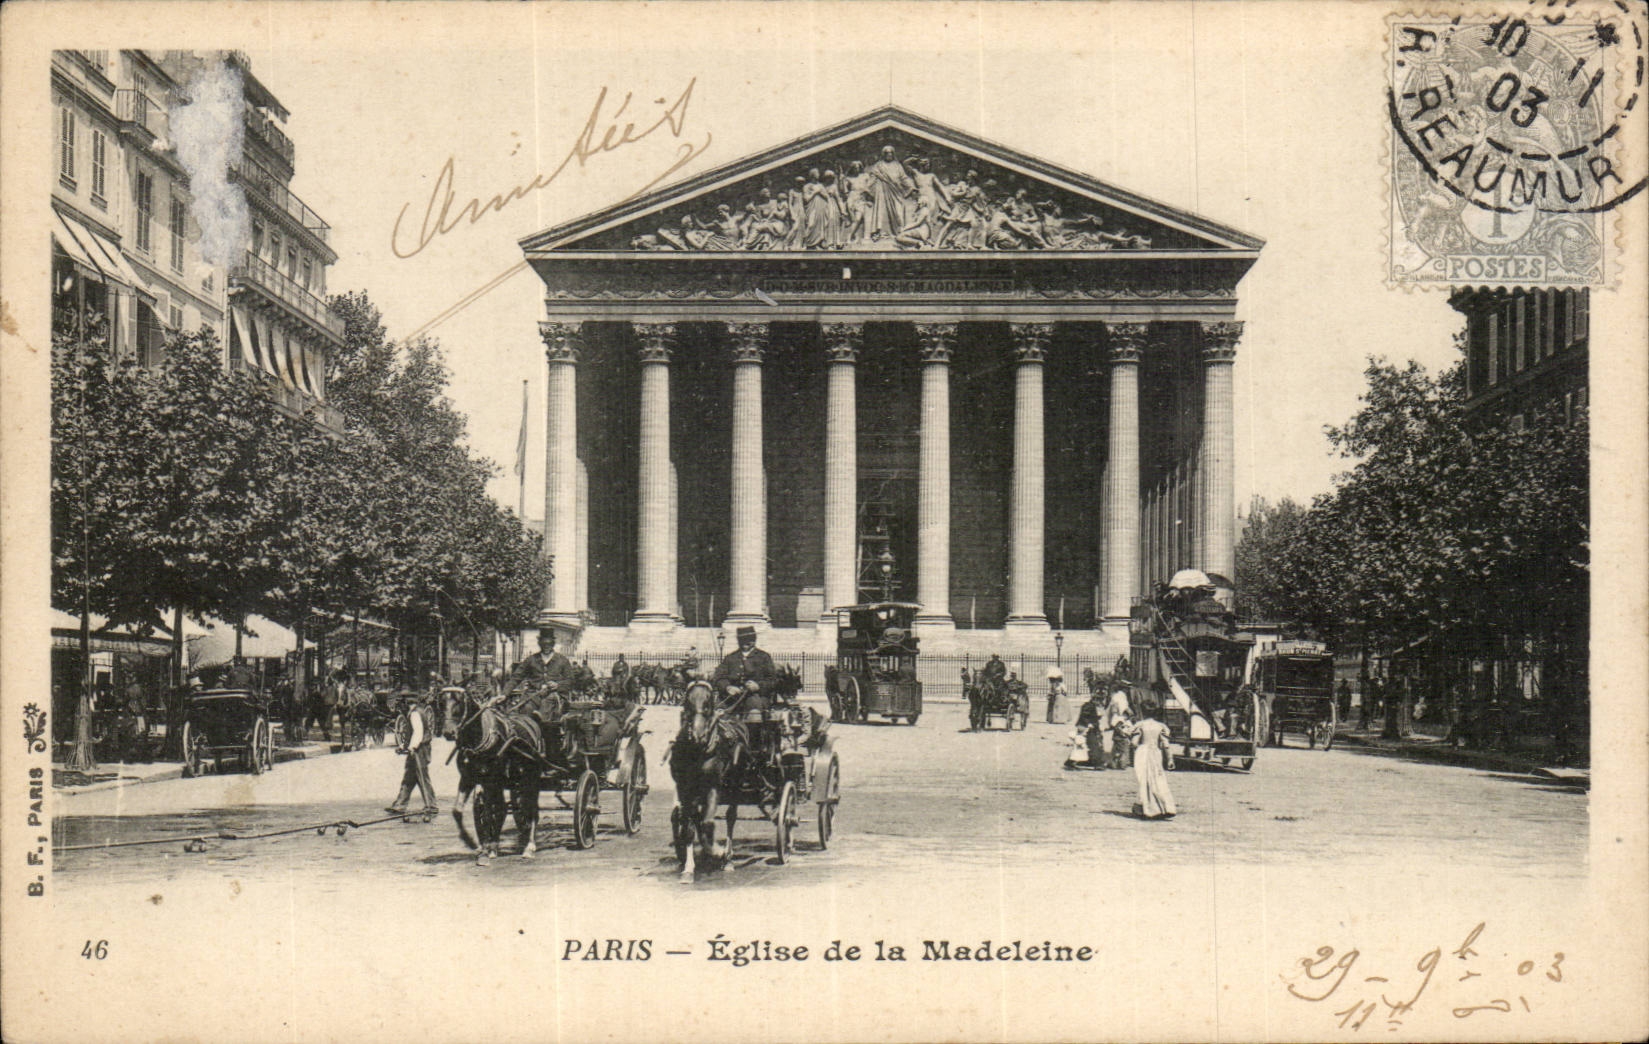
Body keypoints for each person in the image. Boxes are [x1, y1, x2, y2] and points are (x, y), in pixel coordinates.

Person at [503, 628, 576, 735]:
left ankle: (544, 733)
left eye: (549, 643)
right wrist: (504, 694)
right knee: (525, 711)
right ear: (539, 643)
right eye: (543, 643)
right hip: (533, 696)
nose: (546, 645)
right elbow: (516, 678)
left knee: (548, 705)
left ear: (553, 643)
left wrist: (558, 685)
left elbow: (571, 681)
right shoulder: (531, 660)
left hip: (554, 697)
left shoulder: (562, 660)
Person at [386, 691, 438, 816]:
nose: (401, 706)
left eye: (402, 703)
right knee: (409, 777)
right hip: (417, 748)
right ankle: (400, 804)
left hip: (420, 749)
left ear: (407, 703)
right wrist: (404, 746)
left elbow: (418, 733)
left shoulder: (415, 714)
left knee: (422, 777)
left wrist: (412, 747)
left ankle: (431, 805)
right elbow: (411, 734)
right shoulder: (416, 712)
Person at [1126, 696, 1177, 820]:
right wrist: (1170, 759)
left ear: (1142, 712)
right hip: (1155, 752)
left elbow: (1134, 742)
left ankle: (1147, 807)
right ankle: (1165, 806)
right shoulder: (1161, 726)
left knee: (1144, 780)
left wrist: (1129, 740)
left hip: (1142, 752)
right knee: (1158, 779)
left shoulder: (1140, 725)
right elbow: (1166, 745)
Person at [711, 626, 777, 713]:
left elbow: (772, 680)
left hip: (756, 697)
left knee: (754, 713)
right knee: (715, 712)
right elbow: (719, 677)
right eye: (742, 640)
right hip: (731, 698)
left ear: (754, 640)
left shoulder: (763, 657)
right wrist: (727, 687)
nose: (745, 642)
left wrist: (758, 686)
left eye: (749, 639)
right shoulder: (730, 658)